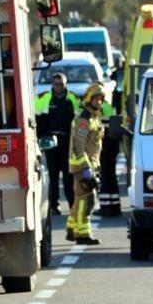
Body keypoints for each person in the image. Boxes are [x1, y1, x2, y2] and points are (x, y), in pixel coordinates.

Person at [33, 72, 78, 214]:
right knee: (52, 175)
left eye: (62, 84)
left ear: (66, 84)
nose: (59, 87)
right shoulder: (44, 98)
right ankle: (54, 205)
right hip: (50, 142)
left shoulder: (72, 98)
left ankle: (72, 204)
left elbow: (78, 120)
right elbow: (36, 119)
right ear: (52, 84)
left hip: (67, 142)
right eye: (57, 84)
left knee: (68, 175)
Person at [67, 81, 106, 245]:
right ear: (89, 99)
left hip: (89, 165)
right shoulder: (85, 118)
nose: (98, 102)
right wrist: (86, 168)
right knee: (87, 200)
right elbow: (78, 144)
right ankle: (83, 234)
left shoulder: (94, 117)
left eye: (101, 99)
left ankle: (71, 229)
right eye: (96, 99)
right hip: (83, 166)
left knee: (79, 198)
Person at [97, 90, 121, 217]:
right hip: (112, 145)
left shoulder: (101, 108)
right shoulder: (108, 106)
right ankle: (114, 206)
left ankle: (106, 206)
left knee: (105, 176)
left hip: (105, 145)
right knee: (111, 176)